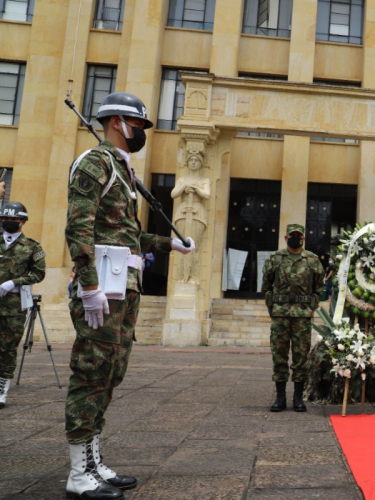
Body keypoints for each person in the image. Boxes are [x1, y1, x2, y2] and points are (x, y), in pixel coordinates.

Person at [64, 92, 195, 500]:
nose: (140, 132)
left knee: (110, 374)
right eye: (137, 125)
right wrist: (88, 287)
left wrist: (170, 245)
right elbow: (78, 229)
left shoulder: (121, 170)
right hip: (101, 288)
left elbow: (128, 235)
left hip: (124, 288)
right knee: (91, 373)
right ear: (118, 121)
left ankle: (92, 459)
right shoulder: (94, 163)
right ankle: (78, 475)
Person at [262, 224, 324, 413]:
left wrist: (311, 305)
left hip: (302, 316)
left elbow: (319, 286)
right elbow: (266, 285)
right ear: (286, 237)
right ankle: (280, 398)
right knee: (279, 355)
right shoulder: (276, 258)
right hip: (280, 314)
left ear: (303, 238)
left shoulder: (312, 259)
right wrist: (273, 307)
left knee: (301, 356)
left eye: (298, 236)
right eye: (292, 236)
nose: (295, 238)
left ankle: (298, 398)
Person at [0, 202, 46, 409]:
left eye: (13, 220)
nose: (9, 222)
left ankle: (2, 387)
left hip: (13, 305)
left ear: (23, 222)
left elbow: (39, 273)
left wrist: (14, 282)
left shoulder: (32, 246)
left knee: (7, 346)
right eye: (5, 219)